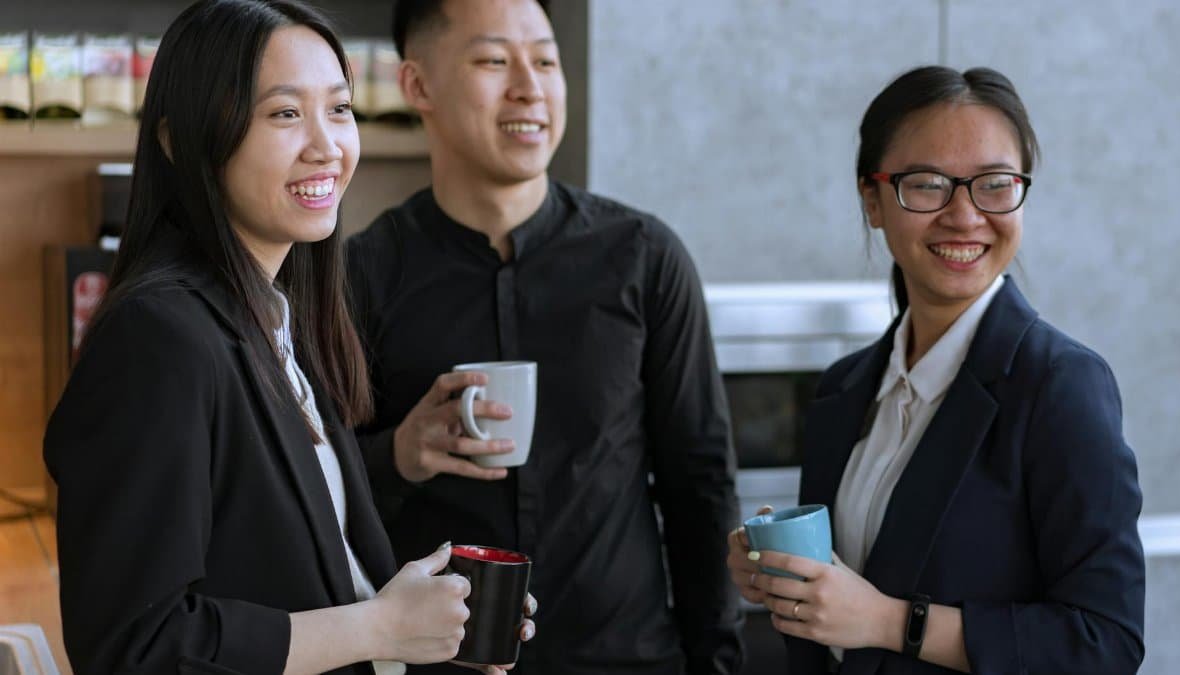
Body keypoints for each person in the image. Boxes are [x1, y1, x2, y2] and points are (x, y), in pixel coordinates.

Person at [43, 2, 532, 673]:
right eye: (284, 113)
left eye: (338, 108)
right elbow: (136, 645)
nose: (326, 145)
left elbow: (305, 588)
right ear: (179, 141)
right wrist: (379, 627)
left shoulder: (278, 328)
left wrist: (421, 634)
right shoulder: (157, 337)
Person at [345, 1, 743, 674]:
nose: (530, 86)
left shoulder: (644, 256)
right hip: (434, 664)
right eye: (495, 60)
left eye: (547, 61)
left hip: (627, 657)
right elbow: (314, 499)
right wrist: (399, 455)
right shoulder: (361, 273)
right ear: (418, 86)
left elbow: (700, 484)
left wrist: (718, 662)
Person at [727, 66, 1145, 674]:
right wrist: (778, 575)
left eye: (995, 184)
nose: (964, 215)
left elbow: (1104, 641)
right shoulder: (844, 388)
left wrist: (889, 622)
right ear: (872, 199)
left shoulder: (1060, 385)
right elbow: (836, 608)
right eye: (927, 185)